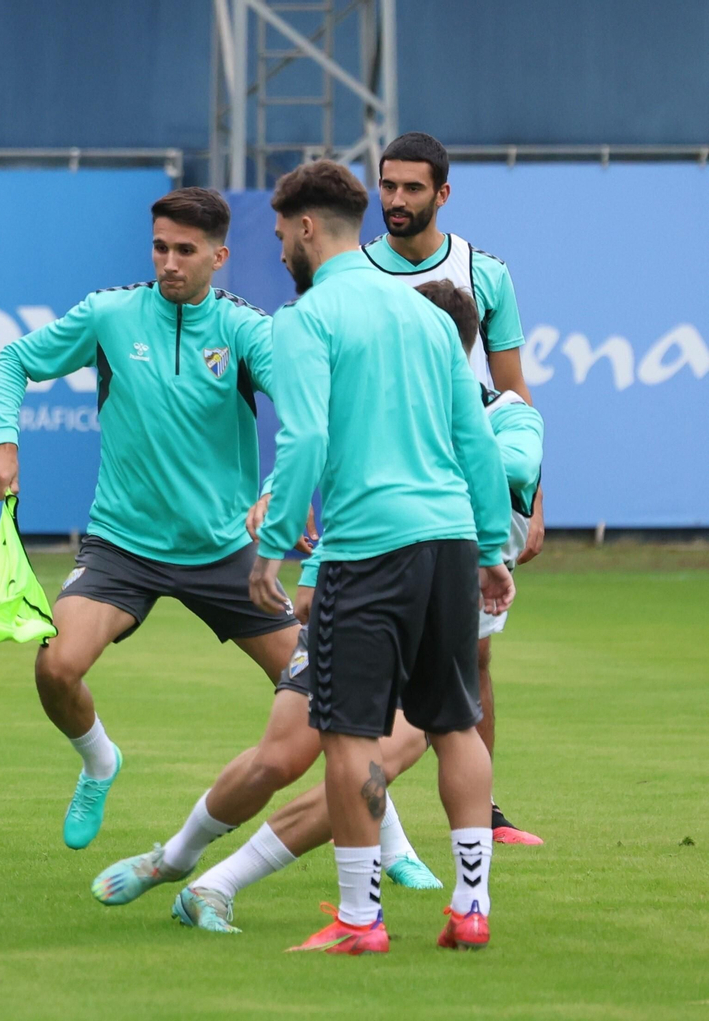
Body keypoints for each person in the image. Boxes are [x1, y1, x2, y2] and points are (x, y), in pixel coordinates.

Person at [176, 278, 544, 931]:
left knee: (370, 751)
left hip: (397, 577)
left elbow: (506, 462)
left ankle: (339, 907)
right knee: (284, 754)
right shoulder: (374, 412)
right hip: (367, 585)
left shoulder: (505, 410)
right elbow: (305, 465)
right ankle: (180, 861)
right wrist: (277, 503)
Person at [0, 187, 307, 860]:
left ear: (219, 255)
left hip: (225, 549)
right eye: (160, 247)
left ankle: (389, 842)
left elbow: (308, 412)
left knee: (320, 688)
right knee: (55, 667)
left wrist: (282, 490)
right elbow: (13, 360)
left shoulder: (248, 330)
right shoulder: (110, 314)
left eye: (186, 251)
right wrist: (4, 440)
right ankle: (99, 762)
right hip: (124, 545)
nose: (169, 262)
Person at [250, 159, 512, 955]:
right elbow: (475, 441)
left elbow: (305, 438)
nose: (279, 248)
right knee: (455, 722)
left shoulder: (303, 321)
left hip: (368, 549)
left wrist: (272, 544)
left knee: (348, 736)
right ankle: (472, 907)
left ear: (302, 227)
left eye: (277, 234)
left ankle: (360, 920)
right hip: (449, 542)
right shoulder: (430, 319)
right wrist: (492, 546)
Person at [365, 133, 543, 841]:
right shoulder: (355, 274)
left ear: (442, 194)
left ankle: (481, 814)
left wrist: (527, 505)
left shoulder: (485, 273)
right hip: (382, 487)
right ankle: (373, 809)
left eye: (412, 188)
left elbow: (513, 394)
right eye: (387, 185)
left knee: (474, 655)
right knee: (382, 658)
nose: (396, 200)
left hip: (465, 492)